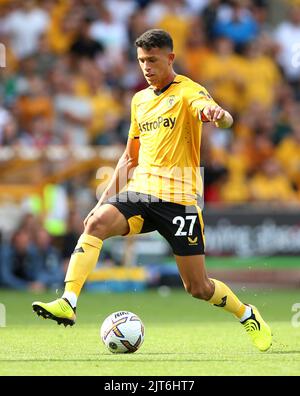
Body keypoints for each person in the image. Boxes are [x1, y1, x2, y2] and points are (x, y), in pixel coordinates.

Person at [33, 29, 272, 352]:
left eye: (152, 60)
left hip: (180, 203)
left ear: (170, 58)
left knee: (198, 287)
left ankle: (247, 315)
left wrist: (221, 115)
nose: (146, 67)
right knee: (96, 223)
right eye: (141, 61)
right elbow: (130, 157)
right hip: (141, 193)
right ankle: (68, 301)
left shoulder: (188, 91)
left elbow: (217, 115)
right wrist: (103, 200)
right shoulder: (139, 100)